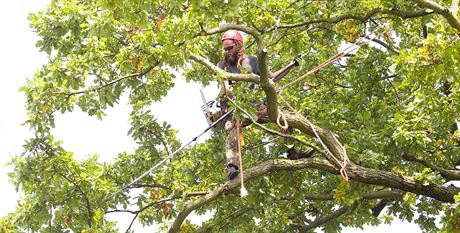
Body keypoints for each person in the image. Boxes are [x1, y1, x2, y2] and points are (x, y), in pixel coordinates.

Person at [216, 30, 314, 180]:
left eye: (230, 48)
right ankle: (232, 167)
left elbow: (272, 78)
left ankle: (292, 152)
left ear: (239, 45)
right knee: (232, 126)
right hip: (232, 107)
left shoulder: (253, 62)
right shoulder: (222, 65)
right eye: (225, 49)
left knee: (283, 117)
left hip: (252, 105)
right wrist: (230, 94)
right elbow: (225, 89)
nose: (227, 51)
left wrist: (291, 65)